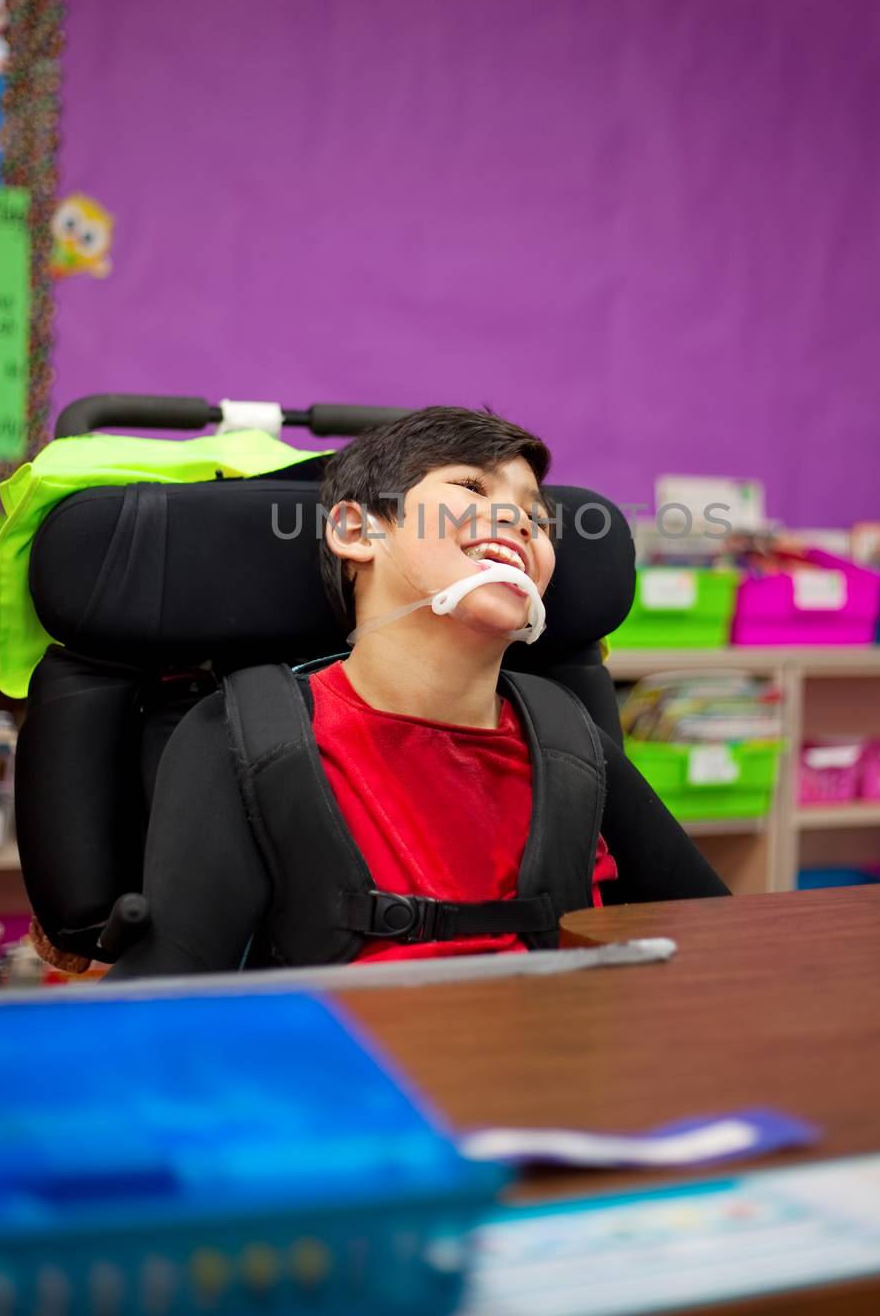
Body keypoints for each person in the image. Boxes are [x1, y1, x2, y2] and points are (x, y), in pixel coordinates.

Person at [109, 406, 726, 979]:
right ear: (355, 531)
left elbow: (720, 933)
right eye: (471, 489)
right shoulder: (245, 737)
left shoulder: (571, 740)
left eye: (538, 519)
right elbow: (172, 998)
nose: (519, 521)